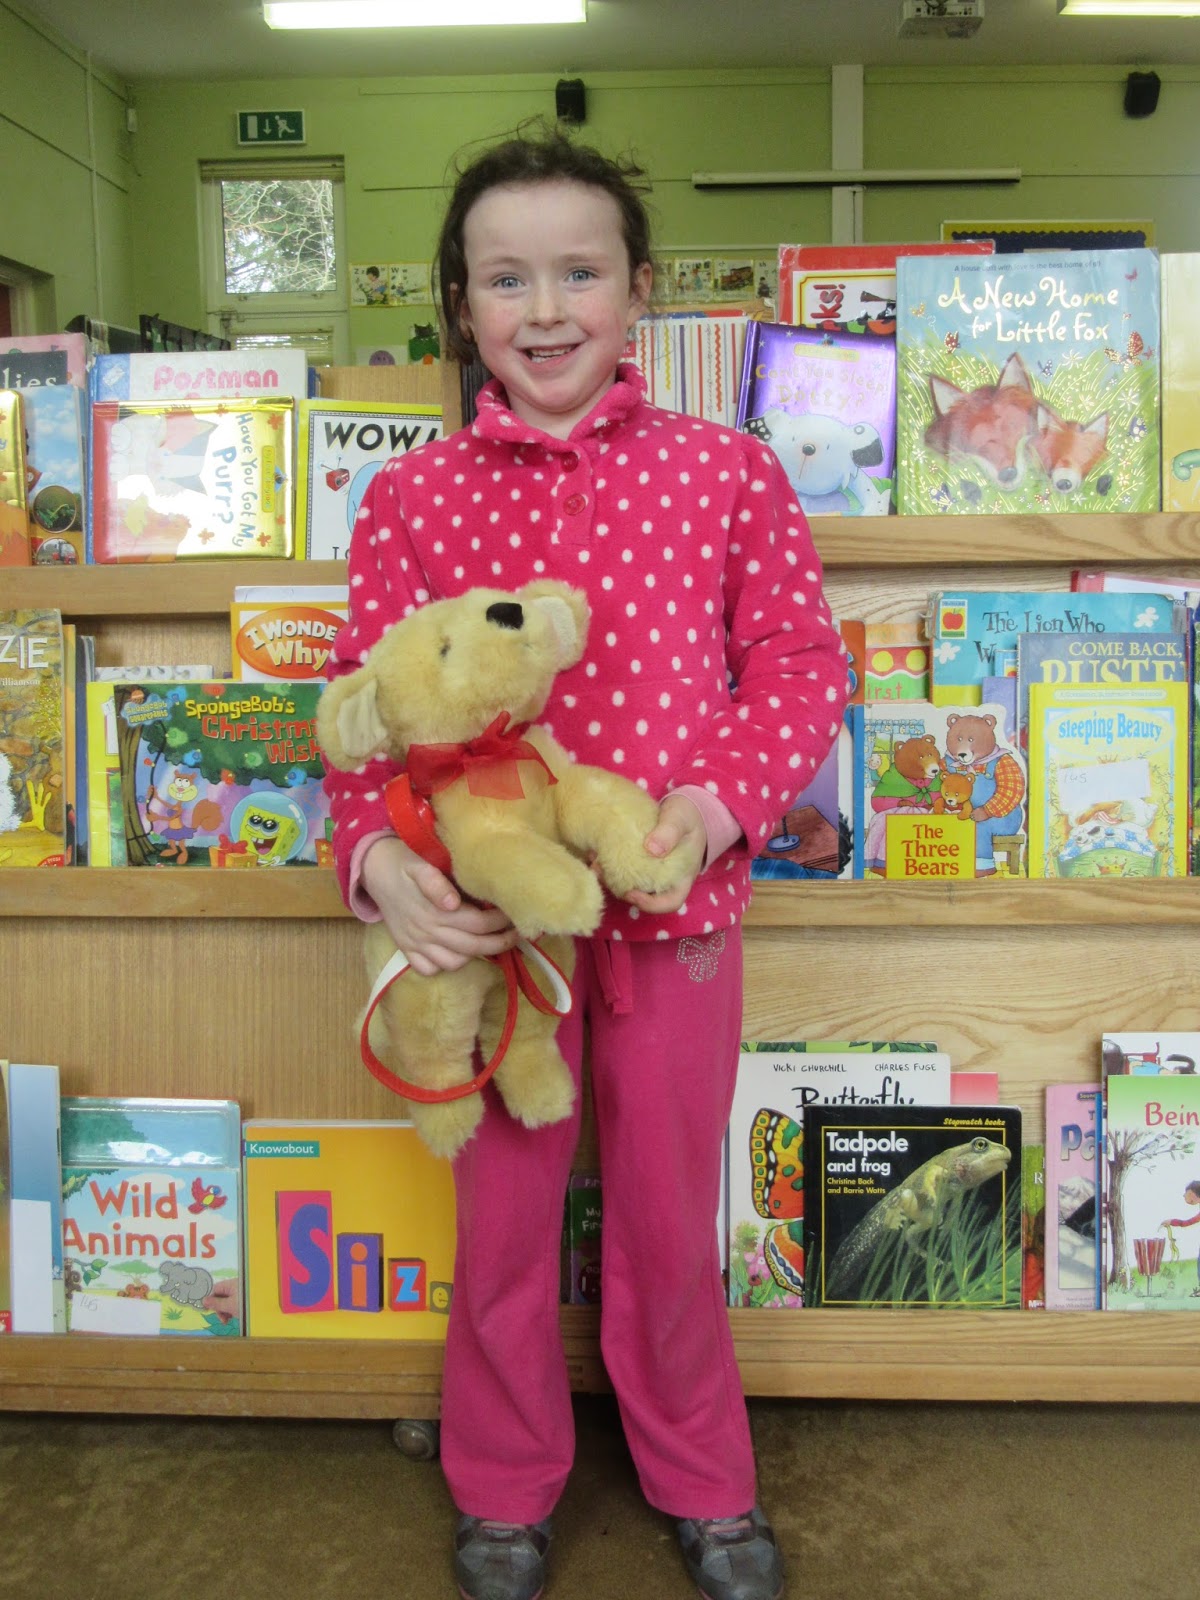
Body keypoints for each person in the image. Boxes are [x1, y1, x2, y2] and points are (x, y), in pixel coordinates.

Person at [324, 121, 848, 1600]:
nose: (545, 309)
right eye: (507, 279)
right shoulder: (411, 498)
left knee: (672, 1216)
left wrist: (720, 806)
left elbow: (800, 667)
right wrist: (378, 862)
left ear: (638, 291)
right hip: (497, 936)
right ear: (462, 305)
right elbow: (365, 711)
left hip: (679, 911)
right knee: (500, 1218)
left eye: (580, 272)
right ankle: (501, 1479)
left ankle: (702, 1473)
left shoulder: (728, 472)